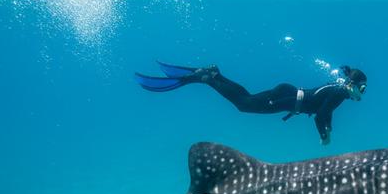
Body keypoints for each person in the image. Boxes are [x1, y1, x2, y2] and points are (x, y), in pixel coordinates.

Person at [134, 62, 367, 145]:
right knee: (244, 105)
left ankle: (215, 75)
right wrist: (325, 136)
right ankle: (208, 78)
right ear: (353, 84)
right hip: (288, 99)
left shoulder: (339, 91)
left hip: (288, 93)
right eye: (362, 88)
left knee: (246, 98)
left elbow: (326, 112)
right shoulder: (340, 93)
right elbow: (321, 114)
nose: (362, 94)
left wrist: (329, 128)